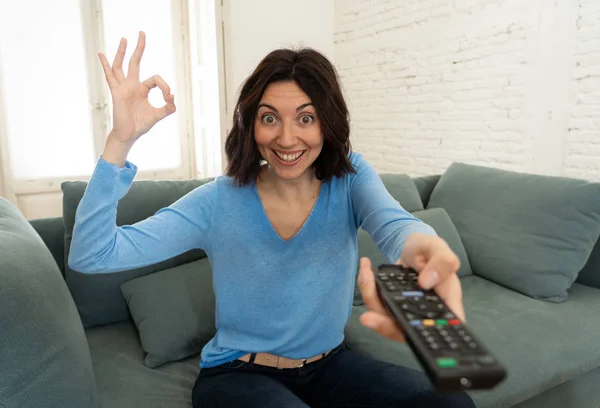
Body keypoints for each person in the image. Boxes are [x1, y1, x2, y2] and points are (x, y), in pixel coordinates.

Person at [69, 31, 475, 408]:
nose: (286, 138)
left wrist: (426, 246)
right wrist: (120, 141)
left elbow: (395, 225)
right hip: (236, 374)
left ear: (327, 124)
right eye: (269, 118)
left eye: (305, 118)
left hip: (329, 365)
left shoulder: (348, 178)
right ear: (251, 125)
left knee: (452, 401)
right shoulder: (217, 200)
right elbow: (93, 255)